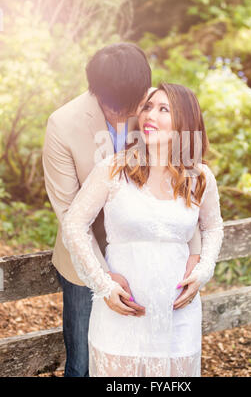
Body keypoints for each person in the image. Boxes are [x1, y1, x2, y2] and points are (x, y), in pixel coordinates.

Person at [42, 44, 202, 377]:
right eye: (116, 107)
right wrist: (101, 277)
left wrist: (195, 255)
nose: (128, 114)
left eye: (135, 104)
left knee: (150, 359)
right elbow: (71, 215)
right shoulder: (63, 125)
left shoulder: (151, 108)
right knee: (85, 362)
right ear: (96, 91)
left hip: (148, 258)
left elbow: (185, 184)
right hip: (84, 259)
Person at [62, 82, 224, 377]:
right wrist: (103, 285)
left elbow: (213, 227)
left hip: (178, 317)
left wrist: (202, 272)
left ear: (185, 121)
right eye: (148, 107)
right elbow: (74, 224)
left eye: (164, 109)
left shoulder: (199, 177)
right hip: (122, 313)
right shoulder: (113, 169)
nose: (151, 115)